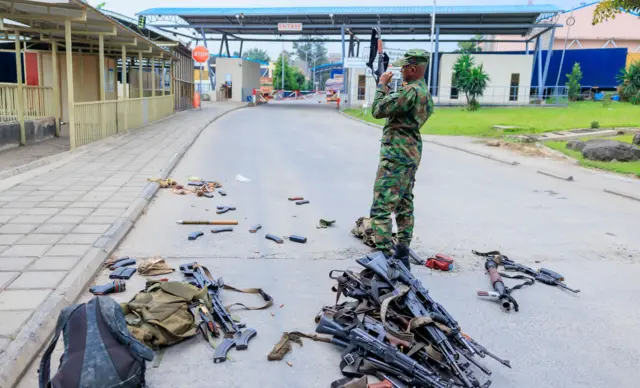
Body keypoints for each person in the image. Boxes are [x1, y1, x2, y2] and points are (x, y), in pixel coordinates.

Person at [369, 49, 435, 270]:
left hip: (396, 155)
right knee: (404, 203)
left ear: (413, 69)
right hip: (411, 153)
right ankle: (402, 254)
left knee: (381, 207)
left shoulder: (409, 93)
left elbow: (377, 110)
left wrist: (382, 84)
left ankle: (383, 262)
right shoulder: (424, 92)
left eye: (404, 67)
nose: (400, 71)